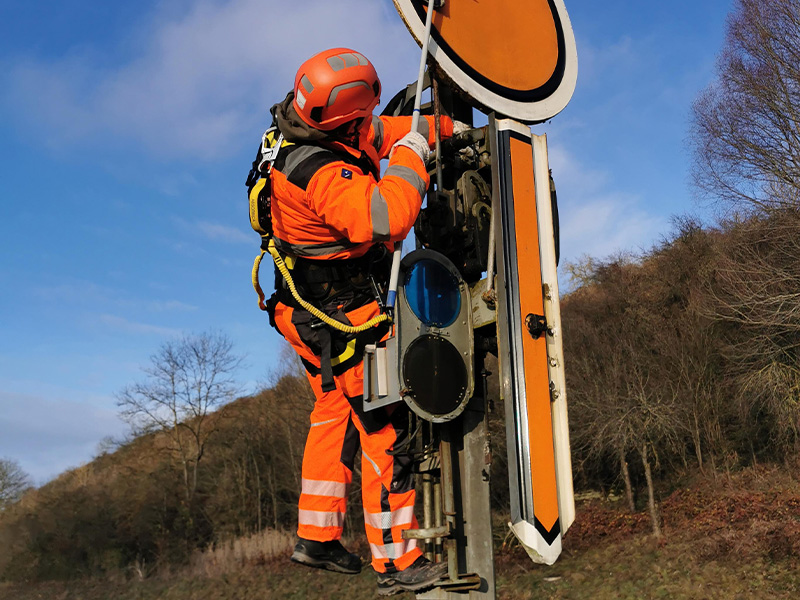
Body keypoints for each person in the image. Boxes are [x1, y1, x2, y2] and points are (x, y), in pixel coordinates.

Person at [261, 48, 456, 596]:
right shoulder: (321, 172)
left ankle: (316, 535)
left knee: (333, 411)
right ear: (347, 116)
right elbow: (386, 217)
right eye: (363, 117)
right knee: (386, 427)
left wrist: (442, 130)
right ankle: (396, 563)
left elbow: (384, 131)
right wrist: (411, 159)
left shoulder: (305, 127)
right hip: (344, 319)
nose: (369, 125)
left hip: (304, 311)